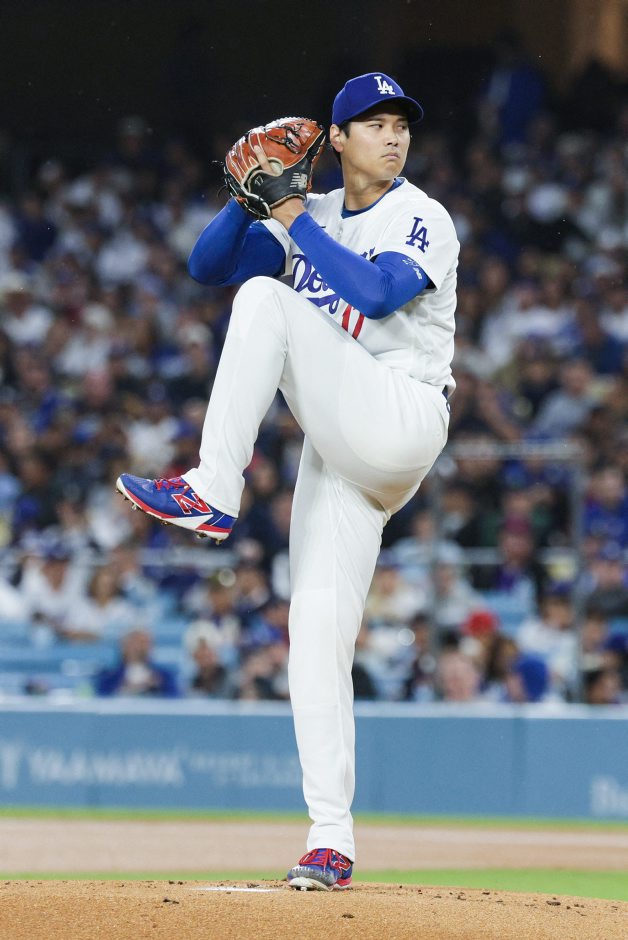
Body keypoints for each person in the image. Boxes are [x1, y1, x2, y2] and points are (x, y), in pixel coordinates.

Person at [116, 72, 458, 890]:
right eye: (373, 124)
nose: (393, 135)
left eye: (400, 124)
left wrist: (293, 213)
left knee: (268, 303)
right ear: (335, 140)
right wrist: (248, 198)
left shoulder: (422, 216)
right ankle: (329, 839)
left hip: (402, 414)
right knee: (314, 632)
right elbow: (208, 267)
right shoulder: (318, 210)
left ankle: (213, 489)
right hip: (340, 450)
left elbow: (378, 294)